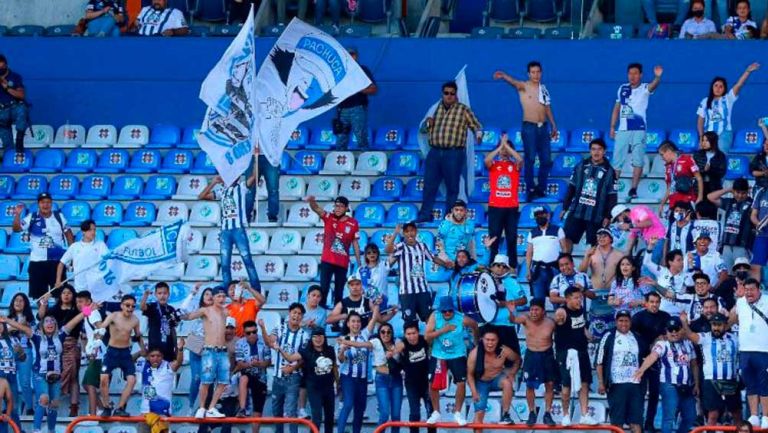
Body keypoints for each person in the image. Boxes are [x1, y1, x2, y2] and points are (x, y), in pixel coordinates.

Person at [416, 81, 483, 223]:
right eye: (446, 93)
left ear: (456, 95)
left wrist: (478, 134)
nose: (449, 96)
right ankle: (425, 214)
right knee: (429, 185)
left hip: (453, 153)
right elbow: (422, 130)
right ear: (442, 94)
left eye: (452, 93)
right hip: (434, 152)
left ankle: (449, 217)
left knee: (452, 187)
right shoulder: (434, 110)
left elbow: (476, 125)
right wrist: (427, 124)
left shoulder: (463, 110)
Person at [493, 62, 558, 200]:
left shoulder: (543, 88)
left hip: (543, 126)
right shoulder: (524, 86)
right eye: (533, 72)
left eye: (538, 72)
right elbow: (514, 82)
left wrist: (553, 124)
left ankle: (541, 187)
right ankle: (530, 188)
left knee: (546, 159)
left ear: (541, 73)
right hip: (530, 127)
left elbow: (547, 107)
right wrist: (504, 76)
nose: (536, 75)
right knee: (529, 158)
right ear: (529, 74)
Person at [634, 317, 699, 433]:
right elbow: (652, 356)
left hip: (687, 385)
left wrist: (697, 384)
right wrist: (642, 370)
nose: (674, 332)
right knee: (669, 417)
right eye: (670, 330)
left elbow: (694, 365)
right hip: (669, 384)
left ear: (682, 330)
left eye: (676, 329)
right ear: (666, 331)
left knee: (690, 417)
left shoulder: (689, 344)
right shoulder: (662, 344)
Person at [23, 312, 85, 433]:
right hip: (40, 374)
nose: (50, 323)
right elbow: (22, 328)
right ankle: (36, 430)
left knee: (55, 404)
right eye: (46, 321)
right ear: (42, 326)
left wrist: (88, 310)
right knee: (44, 399)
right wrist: (5, 320)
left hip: (56, 375)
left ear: (56, 325)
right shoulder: (37, 337)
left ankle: (51, 430)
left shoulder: (61, 335)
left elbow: (75, 321)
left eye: (52, 321)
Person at [199, 173, 261, 291]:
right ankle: (228, 291)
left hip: (238, 229)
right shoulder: (221, 191)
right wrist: (213, 183)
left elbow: (254, 177)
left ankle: (256, 290)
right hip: (225, 231)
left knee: (247, 259)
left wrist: (255, 159)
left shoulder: (241, 187)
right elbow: (201, 196)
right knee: (225, 264)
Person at [609, 63, 662, 200]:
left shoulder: (644, 88)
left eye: (635, 73)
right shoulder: (622, 88)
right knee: (617, 160)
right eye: (630, 73)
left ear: (641, 75)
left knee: (638, 159)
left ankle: (633, 188)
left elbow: (653, 85)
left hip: (639, 129)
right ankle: (613, 188)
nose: (632, 76)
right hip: (623, 129)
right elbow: (616, 108)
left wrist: (657, 77)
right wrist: (612, 126)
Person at [425, 296, 479, 426]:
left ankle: (458, 412)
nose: (447, 313)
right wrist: (443, 330)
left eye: (450, 310)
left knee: (460, 383)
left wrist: (476, 341)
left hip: (457, 354)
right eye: (444, 311)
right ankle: (436, 412)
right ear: (440, 310)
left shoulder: (461, 318)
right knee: (432, 384)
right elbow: (427, 337)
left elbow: (475, 325)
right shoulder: (435, 316)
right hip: (439, 354)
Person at [682, 312, 742, 426]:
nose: (716, 328)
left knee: (736, 413)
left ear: (725, 325)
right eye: (714, 325)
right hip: (711, 381)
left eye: (719, 325)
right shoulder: (706, 337)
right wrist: (684, 323)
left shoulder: (734, 338)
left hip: (731, 381)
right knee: (713, 414)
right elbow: (690, 335)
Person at [12, 193, 74, 300]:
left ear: (52, 203)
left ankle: (59, 316)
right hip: (37, 263)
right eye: (42, 202)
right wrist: (17, 215)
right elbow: (16, 229)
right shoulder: (31, 217)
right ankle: (41, 316)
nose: (45, 205)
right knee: (39, 296)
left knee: (61, 294)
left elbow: (68, 234)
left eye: (48, 202)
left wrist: (72, 254)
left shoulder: (59, 217)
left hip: (57, 263)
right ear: (38, 204)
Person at [387, 223, 452, 323]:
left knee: (429, 319)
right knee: (409, 321)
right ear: (404, 233)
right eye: (407, 231)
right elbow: (388, 250)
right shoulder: (401, 247)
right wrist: (396, 233)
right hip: (406, 292)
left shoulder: (422, 246)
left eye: (412, 230)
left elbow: (433, 258)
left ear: (416, 232)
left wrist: (446, 264)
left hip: (422, 290)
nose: (410, 233)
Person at [596, 310, 647, 433]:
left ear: (630, 322)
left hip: (635, 385)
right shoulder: (608, 336)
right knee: (617, 423)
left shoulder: (637, 337)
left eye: (626, 320)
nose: (624, 323)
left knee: (636, 421)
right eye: (621, 320)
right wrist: (601, 382)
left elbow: (645, 359)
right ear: (616, 322)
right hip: (616, 385)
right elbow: (599, 361)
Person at [507, 298, 556, 425]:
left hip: (547, 355)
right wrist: (512, 311)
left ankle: (547, 413)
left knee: (550, 384)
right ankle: (531, 413)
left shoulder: (551, 323)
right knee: (529, 386)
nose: (533, 312)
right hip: (531, 354)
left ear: (543, 311)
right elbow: (512, 320)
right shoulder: (525, 319)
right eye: (532, 309)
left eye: (536, 310)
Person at [562, 138, 618, 249]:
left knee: (596, 244)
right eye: (593, 149)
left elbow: (612, 196)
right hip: (577, 211)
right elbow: (571, 187)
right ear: (590, 151)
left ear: (604, 151)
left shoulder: (610, 171)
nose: (596, 152)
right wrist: (565, 207)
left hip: (597, 214)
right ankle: (567, 262)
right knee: (567, 238)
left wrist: (608, 216)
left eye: (599, 149)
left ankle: (592, 265)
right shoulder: (581, 166)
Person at [260, 303, 307, 433]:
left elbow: (303, 358)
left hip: (294, 377)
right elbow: (270, 342)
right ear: (289, 313)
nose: (296, 316)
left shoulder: (304, 335)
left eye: (299, 314)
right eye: (294, 312)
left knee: (291, 411)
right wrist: (263, 328)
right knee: (276, 411)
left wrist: (292, 368)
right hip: (277, 377)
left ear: (302, 317)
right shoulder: (279, 329)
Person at [279, 326, 337, 433]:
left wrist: (338, 384)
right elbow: (290, 358)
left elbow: (334, 367)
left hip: (329, 388)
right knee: (317, 417)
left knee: (330, 417)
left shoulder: (330, 350)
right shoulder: (306, 351)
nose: (318, 339)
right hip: (314, 389)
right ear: (311, 338)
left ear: (324, 338)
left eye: (320, 336)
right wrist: (279, 349)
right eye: (315, 336)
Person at [183, 287, 229, 419]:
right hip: (209, 350)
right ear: (213, 298)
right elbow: (187, 316)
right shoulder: (205, 310)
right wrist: (191, 295)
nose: (221, 299)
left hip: (222, 351)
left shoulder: (226, 312)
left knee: (223, 381)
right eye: (218, 296)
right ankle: (201, 407)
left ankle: (211, 408)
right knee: (206, 381)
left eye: (223, 296)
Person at [307, 195, 361, 307]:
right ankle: (320, 316)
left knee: (339, 291)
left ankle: (336, 320)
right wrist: (312, 201)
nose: (338, 208)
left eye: (341, 206)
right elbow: (316, 208)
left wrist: (359, 262)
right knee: (324, 289)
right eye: (336, 206)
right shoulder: (329, 217)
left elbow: (355, 243)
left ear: (346, 208)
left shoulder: (353, 223)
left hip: (342, 263)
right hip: (327, 261)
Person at [554, 287, 597, 426]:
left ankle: (584, 414)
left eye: (581, 297)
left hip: (582, 351)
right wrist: (558, 318)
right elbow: (557, 321)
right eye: (576, 298)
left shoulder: (581, 310)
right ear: (567, 299)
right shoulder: (562, 312)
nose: (580, 300)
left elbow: (581, 326)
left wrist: (589, 336)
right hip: (566, 353)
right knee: (566, 385)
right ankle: (565, 415)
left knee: (585, 384)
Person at [37, 285, 82, 417]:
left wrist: (90, 306)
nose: (66, 295)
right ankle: (48, 403)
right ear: (60, 296)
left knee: (73, 376)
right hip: (54, 347)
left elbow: (86, 312)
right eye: (64, 293)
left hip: (71, 344)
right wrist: (44, 302)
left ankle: (74, 407)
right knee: (52, 375)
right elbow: (40, 317)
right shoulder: (53, 310)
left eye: (69, 293)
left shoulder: (77, 309)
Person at [729, 278, 768, 428]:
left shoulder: (767, 300)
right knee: (750, 384)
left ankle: (765, 415)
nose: (749, 293)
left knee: (765, 384)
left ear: (759, 289)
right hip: (745, 350)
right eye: (747, 290)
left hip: (764, 350)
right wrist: (736, 298)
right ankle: (753, 415)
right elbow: (731, 319)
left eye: (752, 289)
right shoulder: (740, 302)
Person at [631, 292, 670, 431]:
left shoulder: (665, 317)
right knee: (639, 394)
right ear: (646, 303)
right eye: (652, 302)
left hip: (658, 361)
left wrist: (662, 337)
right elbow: (632, 338)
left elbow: (671, 334)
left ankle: (649, 423)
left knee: (654, 394)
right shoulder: (637, 317)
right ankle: (637, 422)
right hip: (640, 360)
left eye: (657, 302)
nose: (654, 305)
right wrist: (650, 343)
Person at [697, 63, 760, 151]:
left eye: (721, 86)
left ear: (724, 89)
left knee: (719, 156)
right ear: (712, 87)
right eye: (716, 85)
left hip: (724, 134)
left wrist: (747, 71)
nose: (718, 88)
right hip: (708, 134)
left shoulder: (728, 98)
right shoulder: (705, 101)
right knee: (702, 157)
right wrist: (701, 136)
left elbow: (738, 85)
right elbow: (700, 121)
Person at [97, 294, 142, 417]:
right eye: (127, 305)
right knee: (104, 378)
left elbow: (138, 336)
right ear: (122, 305)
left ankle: (120, 407)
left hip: (125, 353)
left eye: (133, 306)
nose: (130, 308)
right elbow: (100, 327)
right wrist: (88, 310)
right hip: (111, 352)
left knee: (132, 380)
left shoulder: (135, 320)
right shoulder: (113, 316)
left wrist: (144, 350)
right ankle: (106, 407)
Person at [484, 133, 524, 269]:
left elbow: (520, 160)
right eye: (502, 149)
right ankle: (492, 265)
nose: (504, 151)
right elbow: (487, 160)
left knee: (511, 237)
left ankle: (512, 265)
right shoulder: (494, 164)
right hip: (495, 207)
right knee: (494, 238)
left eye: (507, 149)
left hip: (511, 207)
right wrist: (500, 145)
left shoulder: (515, 166)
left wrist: (506, 145)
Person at [335, 310, 378, 433]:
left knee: (360, 409)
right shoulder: (343, 339)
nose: (356, 324)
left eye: (358, 321)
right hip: (348, 377)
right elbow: (341, 360)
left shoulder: (365, 334)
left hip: (363, 378)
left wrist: (376, 305)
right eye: (353, 321)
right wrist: (342, 350)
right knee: (348, 404)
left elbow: (374, 318)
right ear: (348, 323)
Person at [466, 329, 520, 425]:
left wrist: (512, 374)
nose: (490, 343)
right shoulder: (474, 354)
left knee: (507, 383)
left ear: (498, 340)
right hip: (481, 382)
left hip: (497, 378)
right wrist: (474, 391)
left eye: (493, 340)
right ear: (482, 339)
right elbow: (469, 374)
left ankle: (506, 414)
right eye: (487, 340)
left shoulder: (504, 351)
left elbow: (517, 359)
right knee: (479, 412)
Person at [396, 321, 436, 433]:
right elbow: (396, 349)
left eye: (414, 333)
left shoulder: (424, 340)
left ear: (418, 332)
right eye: (408, 334)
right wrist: (393, 352)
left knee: (431, 413)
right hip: (411, 384)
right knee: (414, 413)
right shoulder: (402, 344)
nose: (412, 336)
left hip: (426, 382)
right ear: (404, 335)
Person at [179, 284, 213, 410]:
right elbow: (182, 312)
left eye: (211, 294)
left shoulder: (219, 311)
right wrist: (192, 293)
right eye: (206, 294)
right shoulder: (197, 308)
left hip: (211, 346)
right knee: (196, 378)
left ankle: (208, 406)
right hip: (196, 343)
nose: (209, 296)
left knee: (210, 379)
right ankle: (191, 406)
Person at [137, 342, 184, 433]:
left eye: (158, 356)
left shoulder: (167, 367)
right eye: (152, 356)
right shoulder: (144, 366)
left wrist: (180, 350)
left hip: (162, 414)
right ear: (148, 357)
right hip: (145, 413)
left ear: (162, 356)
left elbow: (179, 362)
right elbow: (129, 361)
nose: (155, 358)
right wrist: (140, 352)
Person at [708, 178, 754, 270]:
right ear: (733, 191)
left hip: (742, 247)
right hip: (727, 246)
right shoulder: (728, 202)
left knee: (741, 275)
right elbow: (710, 197)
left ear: (748, 192)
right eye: (737, 192)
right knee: (727, 275)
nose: (740, 196)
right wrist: (728, 189)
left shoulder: (752, 204)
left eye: (743, 193)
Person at [336, 47, 377, 149]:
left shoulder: (362, 70)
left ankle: (366, 161)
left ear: (356, 56)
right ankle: (340, 164)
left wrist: (358, 89)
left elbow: (373, 89)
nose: (350, 57)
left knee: (361, 137)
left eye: (352, 54)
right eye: (348, 55)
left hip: (357, 108)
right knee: (341, 138)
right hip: (342, 110)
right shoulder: (339, 71)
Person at [74, 290, 105, 416]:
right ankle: (102, 408)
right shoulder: (88, 313)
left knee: (89, 384)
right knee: (86, 384)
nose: (78, 304)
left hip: (98, 353)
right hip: (94, 353)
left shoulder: (93, 314)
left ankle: (92, 415)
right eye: (77, 302)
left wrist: (95, 347)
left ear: (88, 301)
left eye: (81, 301)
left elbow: (101, 328)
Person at [234, 320, 271, 425]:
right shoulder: (239, 343)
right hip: (247, 374)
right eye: (248, 333)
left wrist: (259, 364)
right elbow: (240, 364)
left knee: (257, 413)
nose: (252, 335)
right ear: (244, 334)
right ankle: (242, 409)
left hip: (261, 378)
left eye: (254, 332)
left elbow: (269, 362)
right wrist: (251, 364)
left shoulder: (264, 341)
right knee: (243, 378)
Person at [526, 206, 567, 300]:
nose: (539, 217)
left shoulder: (558, 230)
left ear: (548, 215)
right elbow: (529, 253)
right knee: (538, 299)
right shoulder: (532, 233)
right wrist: (528, 270)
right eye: (537, 216)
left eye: (541, 214)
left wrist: (563, 266)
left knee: (556, 299)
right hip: (537, 269)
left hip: (554, 268)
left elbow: (564, 248)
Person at [56, 219, 108, 293]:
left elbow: (109, 261)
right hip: (80, 288)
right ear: (83, 231)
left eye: (94, 230)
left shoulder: (101, 245)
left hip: (96, 288)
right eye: (90, 230)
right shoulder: (75, 246)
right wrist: (58, 280)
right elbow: (61, 263)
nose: (93, 232)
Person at [370, 322, 404, 432]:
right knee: (384, 414)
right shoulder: (375, 342)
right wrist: (347, 342)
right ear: (379, 333)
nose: (386, 334)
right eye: (383, 332)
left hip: (396, 379)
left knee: (396, 416)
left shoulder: (397, 342)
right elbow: (362, 344)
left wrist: (393, 352)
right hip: (382, 379)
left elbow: (404, 344)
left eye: (389, 332)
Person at [0, 315, 29, 433]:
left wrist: (21, 353)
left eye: (1, 324)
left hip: (11, 376)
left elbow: (23, 358)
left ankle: (18, 430)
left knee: (13, 407)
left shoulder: (13, 340)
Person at [659, 141, 704, 217]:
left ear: (669, 151)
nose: (662, 158)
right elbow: (669, 187)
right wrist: (662, 204)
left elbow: (699, 178)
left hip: (687, 201)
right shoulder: (668, 167)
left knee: (687, 225)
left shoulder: (687, 159)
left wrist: (700, 197)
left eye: (662, 155)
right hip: (673, 202)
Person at [7, 293, 34, 415]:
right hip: (9, 352)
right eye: (16, 300)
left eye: (21, 300)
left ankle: (28, 406)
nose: (18, 302)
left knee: (25, 381)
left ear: (26, 304)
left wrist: (24, 326)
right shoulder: (6, 318)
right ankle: (12, 408)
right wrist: (11, 327)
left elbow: (32, 334)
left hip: (25, 351)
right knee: (10, 381)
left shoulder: (30, 320)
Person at [140, 282, 181, 362]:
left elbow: (173, 330)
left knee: (168, 372)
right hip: (154, 348)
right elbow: (142, 307)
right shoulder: (152, 307)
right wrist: (145, 296)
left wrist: (176, 348)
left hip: (168, 347)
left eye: (165, 293)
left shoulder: (171, 309)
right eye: (159, 293)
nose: (162, 296)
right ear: (155, 294)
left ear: (169, 294)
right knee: (154, 371)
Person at [642, 241, 687, 314]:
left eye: (682, 260)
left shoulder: (686, 277)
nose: (682, 262)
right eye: (679, 260)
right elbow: (647, 263)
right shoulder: (662, 271)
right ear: (670, 262)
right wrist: (650, 247)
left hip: (677, 314)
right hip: (660, 312)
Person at [0, 53, 28, 152]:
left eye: (2, 66)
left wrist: (7, 87)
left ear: (6, 65)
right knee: (8, 146)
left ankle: (19, 139)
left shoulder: (15, 77)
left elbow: (21, 95)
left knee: (22, 108)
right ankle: (10, 155)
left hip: (14, 107)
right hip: (1, 111)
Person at [245, 145, 280, 224]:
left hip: (270, 155)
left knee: (273, 189)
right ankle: (246, 218)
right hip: (251, 155)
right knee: (249, 190)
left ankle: (272, 218)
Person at [437, 200, 475, 265]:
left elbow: (471, 245)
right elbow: (439, 245)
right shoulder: (444, 225)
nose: (459, 212)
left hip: (463, 262)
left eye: (461, 210)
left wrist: (473, 261)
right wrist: (446, 260)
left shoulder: (470, 225)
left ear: (465, 211)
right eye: (456, 210)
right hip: (447, 261)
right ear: (452, 211)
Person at [357, 244, 391, 309]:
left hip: (381, 301)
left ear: (378, 254)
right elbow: (358, 287)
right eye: (369, 253)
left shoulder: (383, 265)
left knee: (379, 318)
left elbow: (394, 254)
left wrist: (392, 237)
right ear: (366, 255)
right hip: (366, 303)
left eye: (374, 252)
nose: (372, 254)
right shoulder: (360, 270)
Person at [751, 184, 768, 281]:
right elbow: (753, 215)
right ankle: (756, 292)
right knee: (755, 266)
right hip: (762, 235)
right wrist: (760, 225)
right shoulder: (762, 191)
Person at [752, 120, 768, 194]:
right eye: (765, 144)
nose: (767, 146)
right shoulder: (759, 157)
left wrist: (763, 126)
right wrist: (764, 173)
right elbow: (753, 172)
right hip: (761, 186)